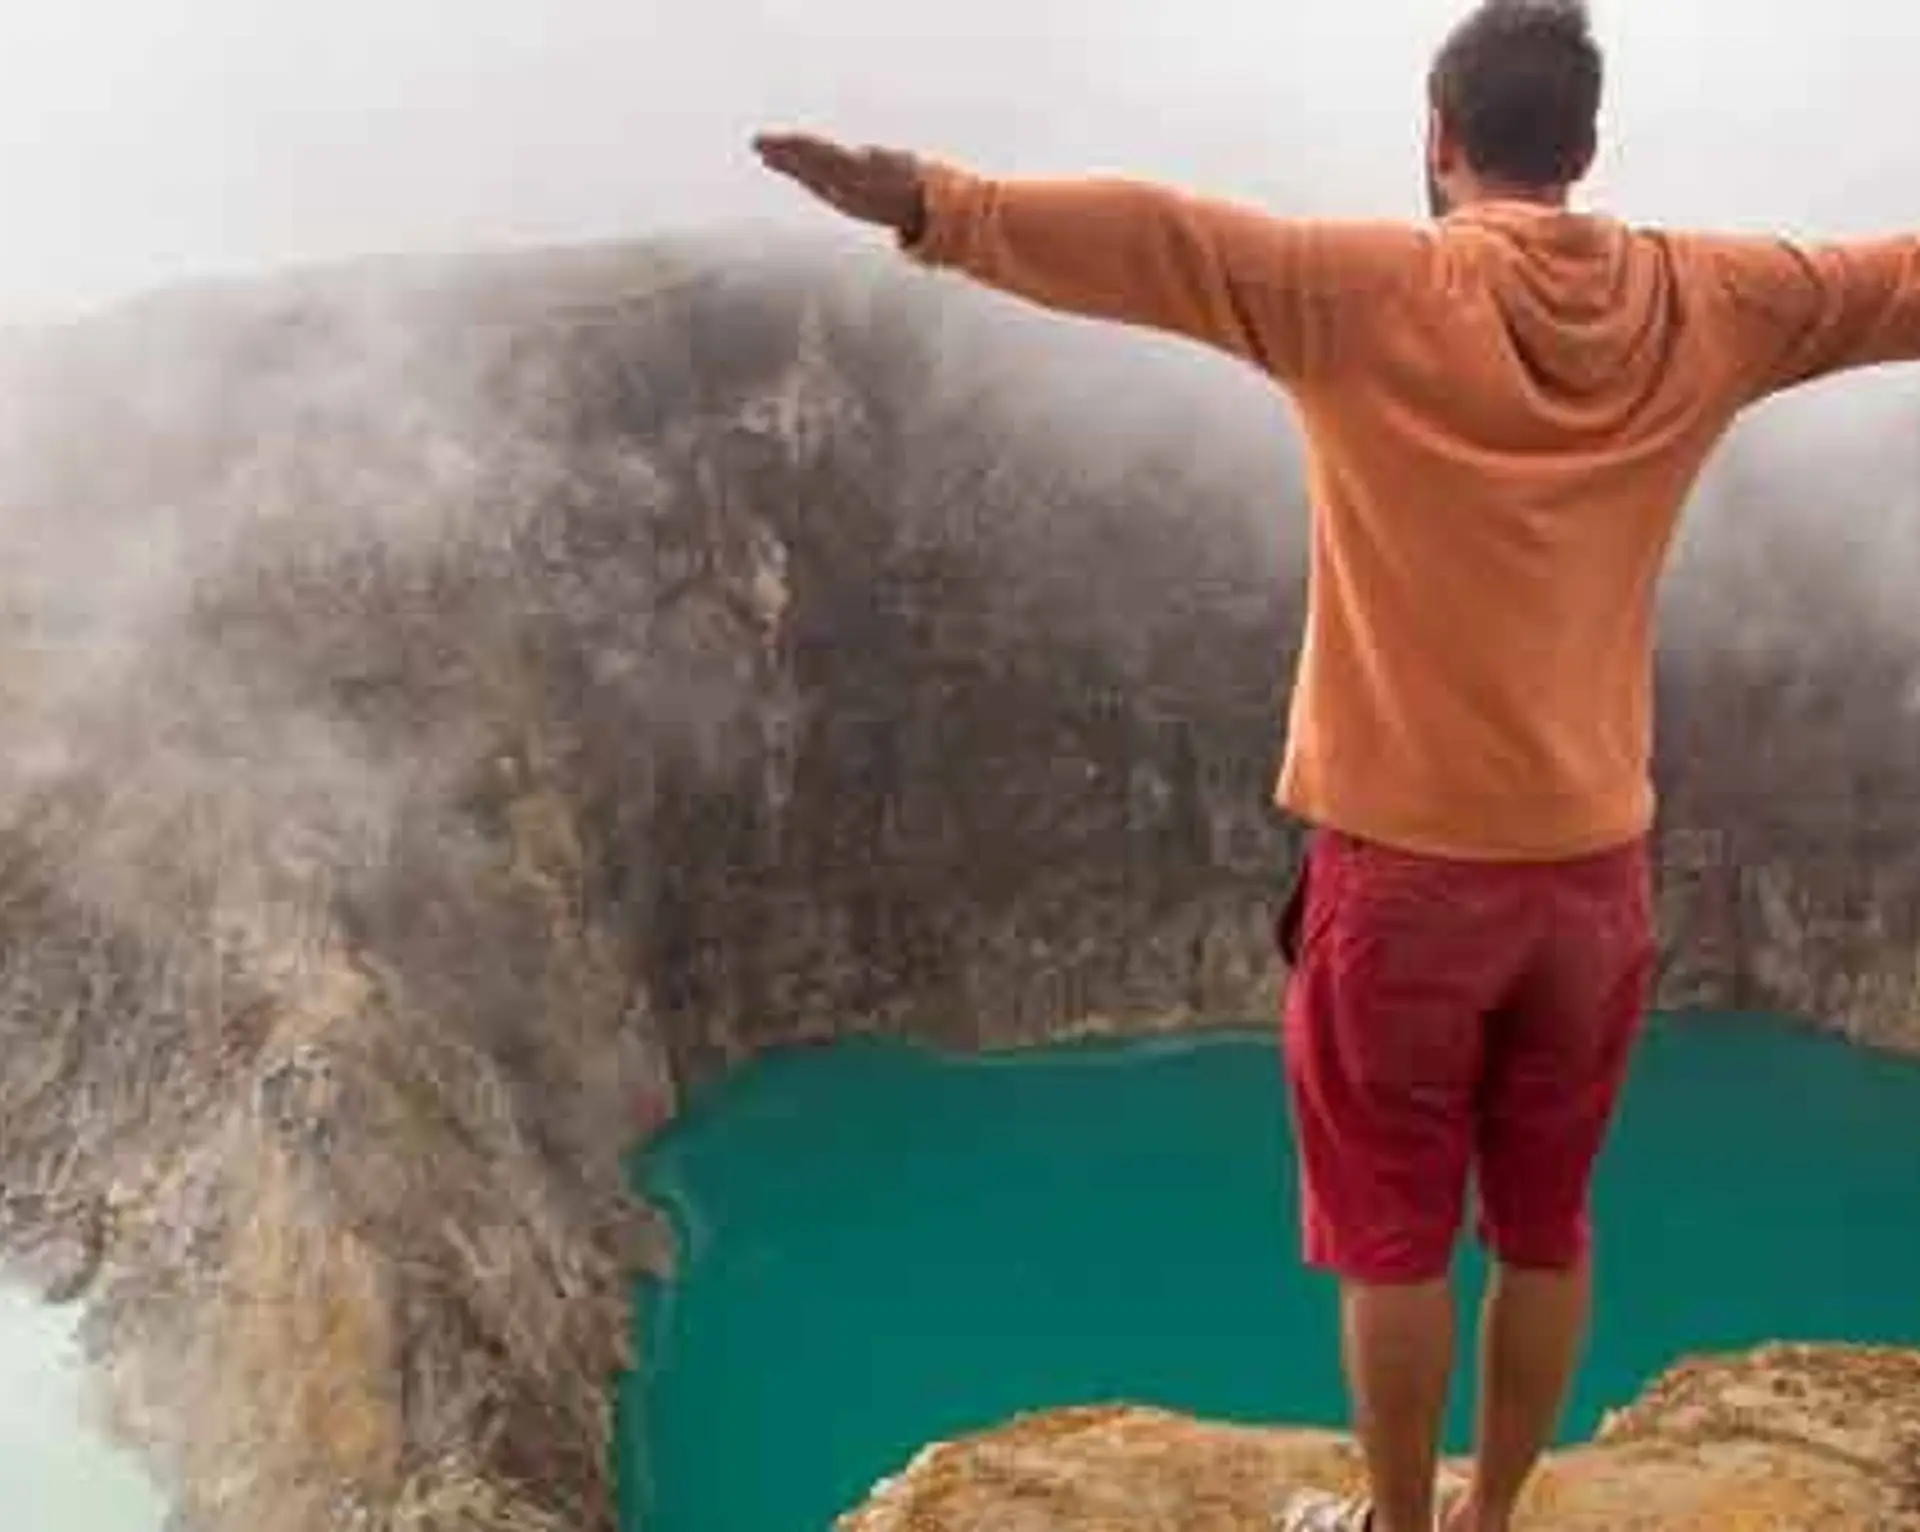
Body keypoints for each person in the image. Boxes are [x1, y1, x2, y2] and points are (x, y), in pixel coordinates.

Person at [752, 0, 1920, 1527]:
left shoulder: (1366, 290)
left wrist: (927, 201)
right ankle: (1496, 1512)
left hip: (1405, 878)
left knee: (1392, 1238)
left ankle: (1395, 1521)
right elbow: (1895, 279)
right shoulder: (1716, 299)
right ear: (1583, 143)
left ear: (1441, 142)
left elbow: (1158, 241)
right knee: (1549, 1228)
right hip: (1591, 879)